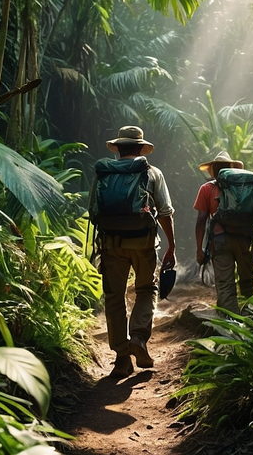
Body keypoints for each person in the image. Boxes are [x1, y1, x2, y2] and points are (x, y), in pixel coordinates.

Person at [96, 126, 175, 379]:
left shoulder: (104, 174)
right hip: (143, 243)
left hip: (111, 244)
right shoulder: (152, 173)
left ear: (118, 148)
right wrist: (171, 245)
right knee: (146, 290)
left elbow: (93, 211)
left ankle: (121, 358)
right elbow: (165, 212)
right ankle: (139, 338)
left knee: (114, 297)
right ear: (141, 148)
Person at [193, 151, 253, 315]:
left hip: (220, 241)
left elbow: (201, 220)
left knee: (225, 284)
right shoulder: (247, 186)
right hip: (245, 239)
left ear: (213, 170)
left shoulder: (207, 189)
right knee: (247, 283)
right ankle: (250, 320)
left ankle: (231, 325)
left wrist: (199, 248)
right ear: (231, 167)